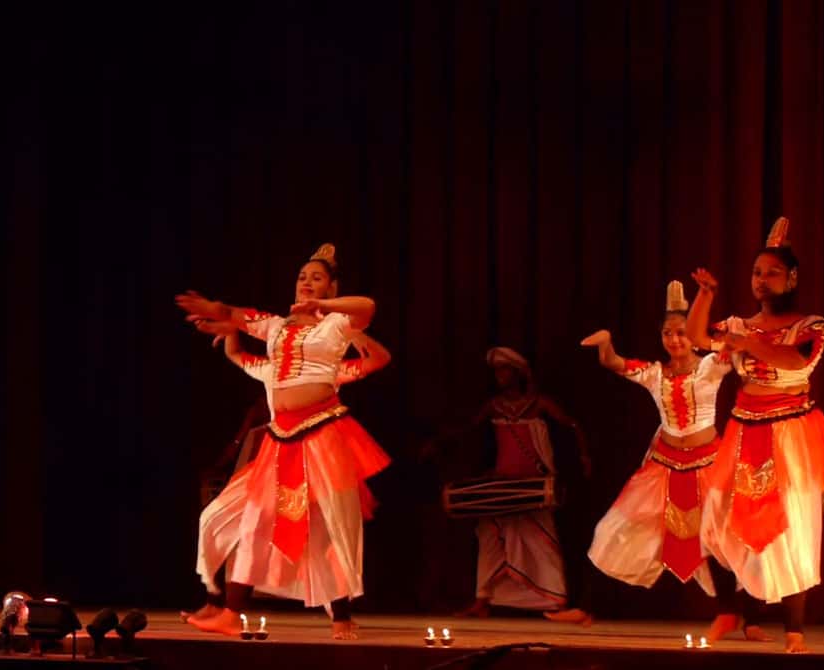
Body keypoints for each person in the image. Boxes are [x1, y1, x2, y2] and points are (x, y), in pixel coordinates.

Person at [175, 244, 389, 639]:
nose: (307, 283)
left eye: (317, 278)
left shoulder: (337, 323)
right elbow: (237, 318)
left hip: (323, 433)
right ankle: (228, 610)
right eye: (302, 277)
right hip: (281, 438)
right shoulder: (275, 325)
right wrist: (217, 311)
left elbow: (368, 307)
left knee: (326, 525)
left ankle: (340, 613)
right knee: (257, 520)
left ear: (332, 286)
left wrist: (325, 308)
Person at [555, 281, 769, 638]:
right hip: (664, 467)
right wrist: (606, 341)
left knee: (727, 539)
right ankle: (585, 606)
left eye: (682, 333)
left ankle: (748, 618)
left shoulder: (710, 366)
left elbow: (736, 351)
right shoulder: (654, 373)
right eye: (668, 333)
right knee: (612, 529)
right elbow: (612, 362)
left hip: (709, 465)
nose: (675, 340)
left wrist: (734, 330)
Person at [686, 218, 824, 653]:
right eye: (757, 272)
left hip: (789, 431)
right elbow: (698, 336)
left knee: (792, 526)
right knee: (716, 519)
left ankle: (794, 629)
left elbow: (794, 362)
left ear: (792, 278)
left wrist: (746, 342)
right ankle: (732, 609)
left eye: (772, 272)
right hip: (744, 427)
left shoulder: (813, 325)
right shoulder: (741, 324)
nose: (761, 280)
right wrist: (705, 296)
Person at [433, 347, 591, 619]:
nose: (500, 376)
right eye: (496, 371)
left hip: (532, 483)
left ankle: (556, 603)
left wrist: (584, 455)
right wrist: (437, 444)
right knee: (490, 541)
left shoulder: (538, 403)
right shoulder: (494, 406)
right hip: (504, 482)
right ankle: (483, 600)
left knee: (541, 543)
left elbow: (572, 425)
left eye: (505, 370)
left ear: (518, 374)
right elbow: (468, 429)